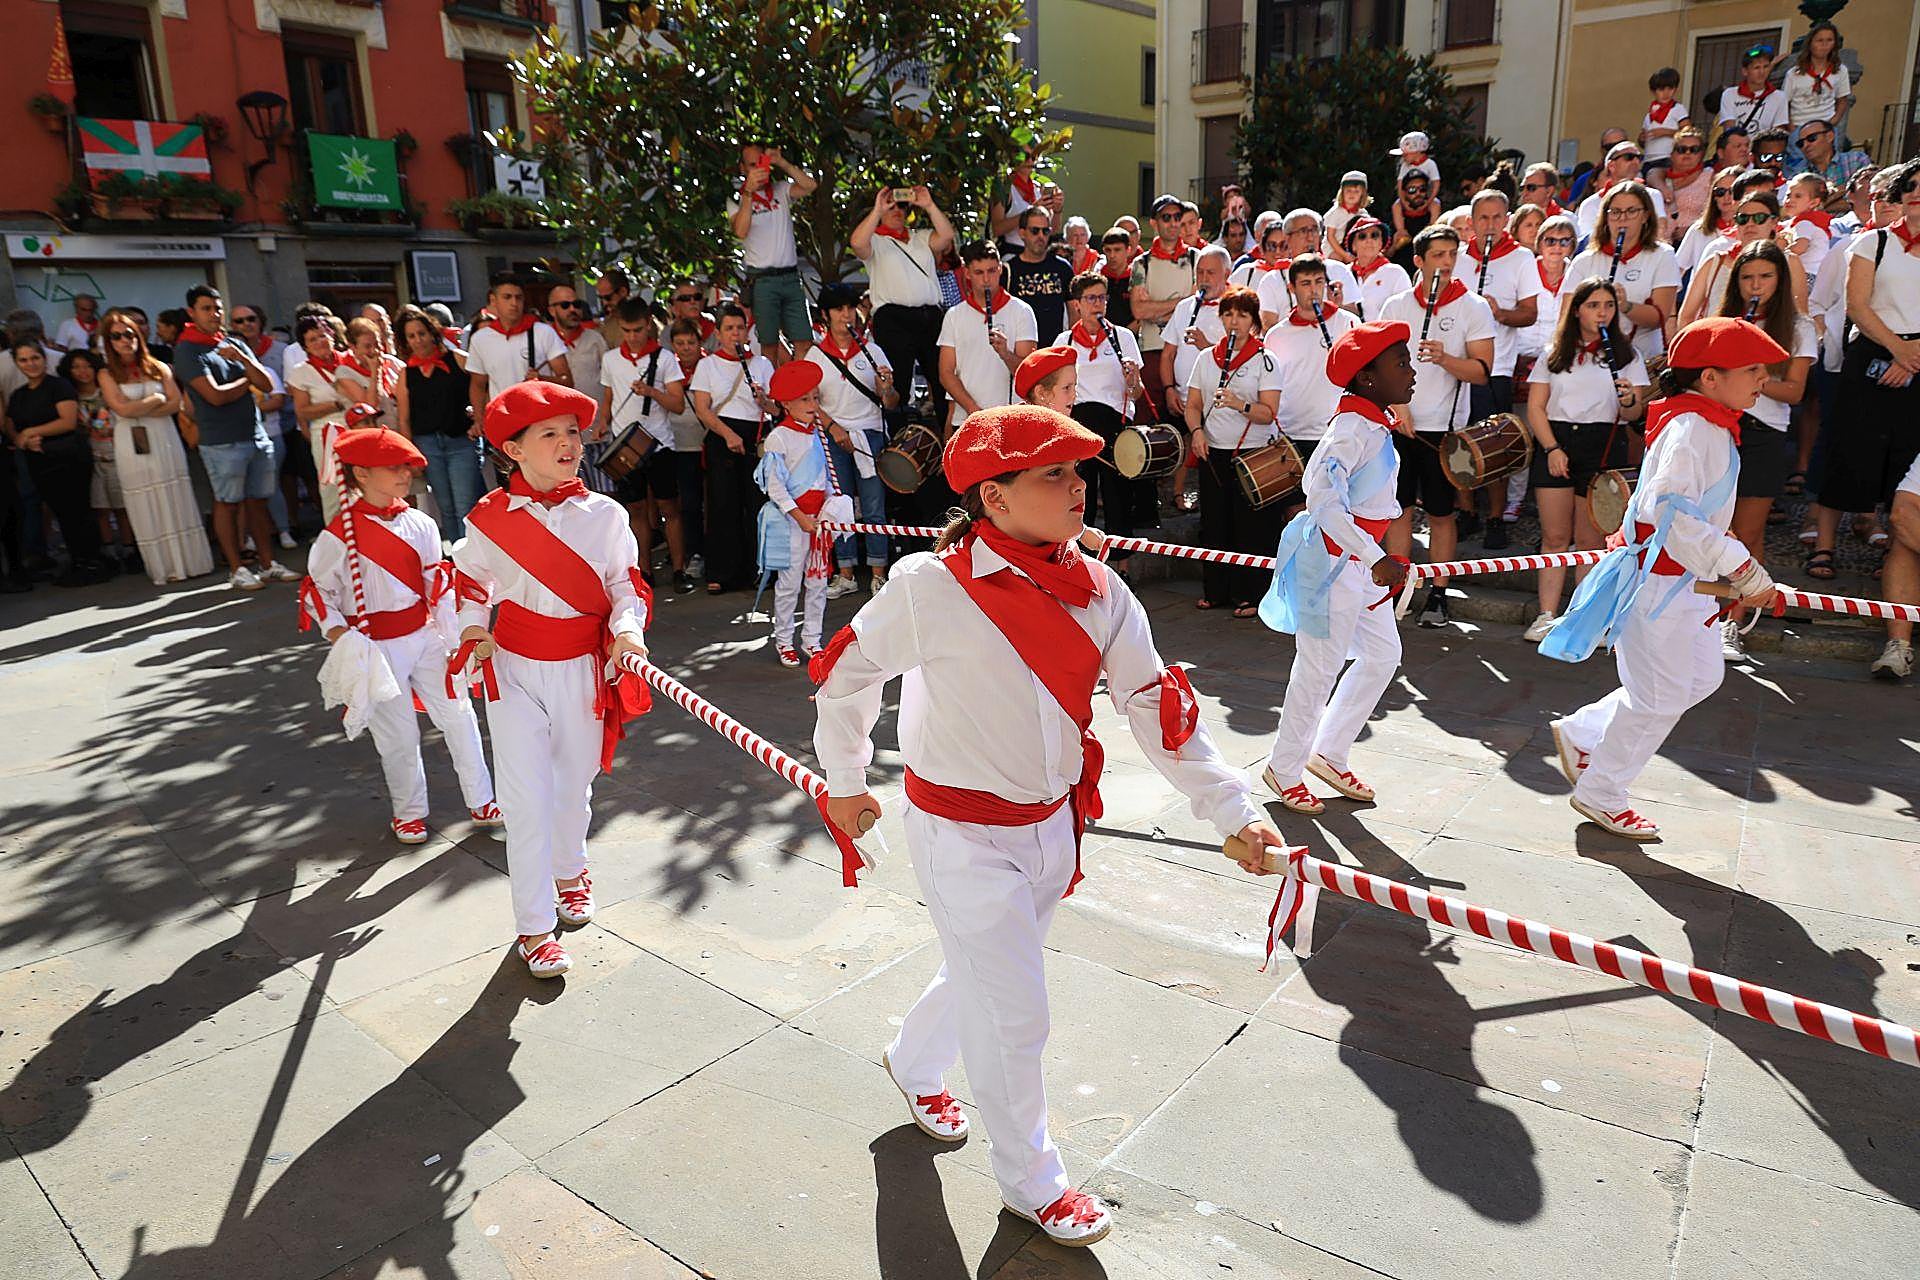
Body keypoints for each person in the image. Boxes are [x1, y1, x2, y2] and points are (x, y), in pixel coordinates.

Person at [811, 402, 1286, 1249]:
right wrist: (845, 781)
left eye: (1079, 472)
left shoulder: (1103, 590)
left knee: (988, 973)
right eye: (1053, 475)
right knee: (1016, 1011)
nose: (1078, 489)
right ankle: (1034, 1182)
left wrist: (1233, 811)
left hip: (1051, 827)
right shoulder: (928, 586)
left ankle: (913, 1064)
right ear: (993, 499)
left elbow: (1158, 713)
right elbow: (845, 675)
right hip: (955, 831)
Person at [1544, 318, 1786, 839]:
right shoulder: (1694, 426)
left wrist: (1733, 568)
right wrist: (1742, 567)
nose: (1764, 379)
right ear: (1710, 377)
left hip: (1684, 585)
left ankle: (1584, 733)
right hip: (1661, 584)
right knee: (1660, 696)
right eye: (1753, 369)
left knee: (1700, 678)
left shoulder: (1706, 422)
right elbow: (1671, 514)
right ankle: (1602, 791)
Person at [451, 381, 651, 979]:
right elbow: (470, 582)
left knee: (574, 786)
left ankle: (571, 867)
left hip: (582, 672)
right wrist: (470, 629)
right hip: (511, 671)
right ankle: (533, 928)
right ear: (513, 450)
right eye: (550, 434)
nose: (569, 443)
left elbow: (626, 586)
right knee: (526, 802)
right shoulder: (489, 519)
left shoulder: (605, 516)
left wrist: (628, 633)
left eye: (572, 431)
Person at [299, 424, 499, 843]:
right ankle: (408, 812)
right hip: (375, 646)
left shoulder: (421, 525)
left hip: (424, 637)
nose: (405, 474)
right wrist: (341, 636)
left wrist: (451, 637)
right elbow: (319, 593)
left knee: (459, 716)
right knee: (399, 735)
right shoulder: (339, 536)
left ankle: (482, 800)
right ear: (361, 475)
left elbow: (437, 586)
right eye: (392, 467)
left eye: (407, 466)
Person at [1257, 319, 1415, 813]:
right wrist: (1375, 558)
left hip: (1359, 564)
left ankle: (1328, 751)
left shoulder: (1372, 423)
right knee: (1318, 668)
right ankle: (1284, 769)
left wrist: (1374, 558)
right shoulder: (1351, 427)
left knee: (1383, 655)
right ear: (1367, 377)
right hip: (1333, 563)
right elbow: (1322, 498)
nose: (1411, 372)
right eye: (1400, 363)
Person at [1811, 157, 1920, 679]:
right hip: (1874, 357)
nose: (1919, 195)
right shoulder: (1872, 242)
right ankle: (1826, 545)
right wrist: (1899, 351)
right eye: (1913, 187)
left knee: (1906, 475)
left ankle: (1898, 587)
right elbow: (1857, 306)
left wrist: (1914, 358)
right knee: (1850, 455)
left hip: (1917, 364)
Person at [1378, 226, 1494, 627]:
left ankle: (1438, 594)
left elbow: (1482, 372)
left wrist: (1446, 359)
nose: (1445, 263)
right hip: (1399, 426)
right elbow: (1377, 366)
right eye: (1437, 255)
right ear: (1419, 261)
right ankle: (1399, 592)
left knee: (1442, 515)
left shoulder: (1473, 306)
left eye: (1451, 254)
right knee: (1397, 511)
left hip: (1443, 433)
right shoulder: (1396, 304)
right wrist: (1396, 407)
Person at [1521, 279, 1648, 642]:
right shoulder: (1554, 353)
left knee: (1591, 539)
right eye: (1594, 305)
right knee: (1555, 535)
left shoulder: (1627, 356)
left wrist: (1628, 400)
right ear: (1578, 310)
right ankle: (1547, 614)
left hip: (1602, 445)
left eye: (1608, 305)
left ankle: (1583, 616)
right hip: (1558, 441)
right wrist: (1552, 449)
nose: (1602, 312)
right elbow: (1536, 407)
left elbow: (1634, 413)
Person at [1712, 241, 1814, 661]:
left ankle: (1731, 621)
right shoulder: (1725, 321)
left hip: (1764, 432)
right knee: (1710, 527)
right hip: (1719, 427)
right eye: (1748, 277)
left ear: (1781, 280)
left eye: (1766, 277)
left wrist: (1750, 376)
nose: (1756, 285)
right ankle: (1698, 614)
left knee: (1747, 532)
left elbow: (1794, 391)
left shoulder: (1799, 326)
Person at [173, 286, 298, 590]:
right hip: (220, 440)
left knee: (258, 502)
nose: (214, 314)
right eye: (206, 308)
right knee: (227, 503)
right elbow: (215, 396)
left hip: (254, 434)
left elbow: (267, 382)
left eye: (217, 308)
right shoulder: (188, 349)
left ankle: (268, 565)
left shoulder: (229, 342)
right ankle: (237, 569)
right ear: (192, 313)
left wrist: (245, 360)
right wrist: (247, 379)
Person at [1185, 285, 1283, 616]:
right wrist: (1196, 431)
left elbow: (1269, 412)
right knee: (1214, 523)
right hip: (1214, 451)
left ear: (1253, 320)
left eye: (1242, 315)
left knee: (1252, 528)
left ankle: (1251, 595)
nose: (1234, 321)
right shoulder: (1205, 358)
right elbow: (1193, 403)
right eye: (1228, 314)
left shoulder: (1265, 360)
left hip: (1253, 454)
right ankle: (1216, 590)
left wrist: (1240, 404)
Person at [96, 308, 211, 585]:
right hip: (131, 444)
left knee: (175, 494)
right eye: (117, 336)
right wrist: (155, 398)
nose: (125, 340)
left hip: (164, 436)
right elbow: (121, 410)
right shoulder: (106, 374)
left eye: (130, 334)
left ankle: (192, 563)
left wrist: (145, 407)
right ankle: (165, 567)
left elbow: (176, 404)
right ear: (108, 342)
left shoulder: (159, 366)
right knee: (144, 500)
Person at [1461, 188, 1543, 550]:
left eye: (1497, 217)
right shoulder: (1460, 257)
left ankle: (1495, 517)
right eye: (1483, 218)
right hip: (1457, 366)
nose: (1490, 225)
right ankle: (1466, 511)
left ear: (1507, 220)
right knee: (1457, 440)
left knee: (1492, 444)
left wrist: (1498, 313)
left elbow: (1530, 313)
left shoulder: (1521, 258)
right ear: (1472, 222)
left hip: (1496, 366)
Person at [755, 360, 850, 666]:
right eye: (804, 399)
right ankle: (784, 639)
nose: (813, 405)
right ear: (785, 404)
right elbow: (776, 486)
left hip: (817, 522)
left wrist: (829, 510)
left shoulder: (817, 434)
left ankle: (812, 638)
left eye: (815, 398)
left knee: (818, 581)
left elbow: (823, 480)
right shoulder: (778, 438)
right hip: (792, 521)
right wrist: (800, 518)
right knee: (789, 583)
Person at [806, 283, 896, 597]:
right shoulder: (815, 355)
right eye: (839, 309)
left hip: (869, 434)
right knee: (840, 505)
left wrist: (887, 387)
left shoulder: (873, 350)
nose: (846, 315)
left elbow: (892, 402)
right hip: (833, 437)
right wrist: (832, 428)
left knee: (873, 505)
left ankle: (878, 573)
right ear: (826, 315)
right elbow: (811, 401)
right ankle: (845, 573)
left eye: (850, 307)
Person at [600, 300, 691, 593]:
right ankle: (644, 573)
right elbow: (609, 398)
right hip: (624, 444)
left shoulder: (664, 358)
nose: (632, 336)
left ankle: (679, 570)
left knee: (670, 507)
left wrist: (651, 391)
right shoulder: (611, 358)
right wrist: (602, 422)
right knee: (635, 510)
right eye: (626, 330)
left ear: (648, 324)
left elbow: (677, 404)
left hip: (659, 444)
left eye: (637, 330)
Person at [689, 304, 778, 595]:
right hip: (722, 434)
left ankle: (758, 570)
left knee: (756, 506)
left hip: (755, 435)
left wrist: (764, 400)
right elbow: (703, 409)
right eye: (729, 329)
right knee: (722, 505)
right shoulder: (708, 365)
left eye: (740, 328)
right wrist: (728, 435)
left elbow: (776, 408)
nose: (735, 334)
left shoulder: (762, 364)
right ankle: (721, 573)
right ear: (718, 333)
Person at [4, 340, 108, 586]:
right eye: (24, 360)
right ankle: (77, 559)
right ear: (17, 363)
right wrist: (22, 440)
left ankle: (92, 561)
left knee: (78, 511)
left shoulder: (58, 386)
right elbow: (10, 424)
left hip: (69, 458)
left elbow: (67, 421)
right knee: (60, 512)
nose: (30, 364)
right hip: (39, 461)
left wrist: (30, 431)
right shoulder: (19, 395)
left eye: (35, 358)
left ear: (44, 359)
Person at [850, 185, 955, 427]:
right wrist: (878, 209)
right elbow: (856, 243)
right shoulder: (875, 240)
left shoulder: (920, 236)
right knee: (897, 383)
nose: (897, 210)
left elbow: (946, 237)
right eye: (892, 205)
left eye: (902, 205)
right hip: (893, 317)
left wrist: (928, 204)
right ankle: (897, 443)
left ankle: (946, 439)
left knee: (942, 380)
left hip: (930, 315)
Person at [1055, 272, 1143, 550]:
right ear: (1077, 304)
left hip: (1114, 424)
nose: (1098, 304)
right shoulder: (1064, 340)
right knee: (1080, 494)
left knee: (1119, 495)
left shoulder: (1124, 337)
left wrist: (1133, 378)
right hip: (1078, 425)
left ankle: (1122, 566)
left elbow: (1137, 393)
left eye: (1102, 297)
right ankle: (1077, 558)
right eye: (1091, 298)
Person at [1265, 254, 1361, 502]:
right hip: (1291, 434)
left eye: (1319, 282)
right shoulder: (1277, 334)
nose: (1314, 290)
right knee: (1294, 511)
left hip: (1337, 433)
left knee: (1337, 509)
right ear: (1292, 288)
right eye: (1306, 284)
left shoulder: (1349, 323)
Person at [396, 305, 483, 545]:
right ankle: (457, 560)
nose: (418, 340)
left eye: (421, 333)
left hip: (460, 441)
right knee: (446, 508)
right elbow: (404, 419)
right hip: (428, 445)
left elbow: (483, 383)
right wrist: (411, 456)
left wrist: (479, 418)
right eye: (411, 336)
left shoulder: (457, 359)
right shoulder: (405, 374)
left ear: (433, 332)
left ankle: (472, 561)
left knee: (466, 506)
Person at [1566, 181, 1680, 362]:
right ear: (1605, 217)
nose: (1622, 218)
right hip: (1590, 360)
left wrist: (1625, 305)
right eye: (1615, 212)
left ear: (1645, 216)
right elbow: (1567, 315)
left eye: (1632, 211)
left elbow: (1659, 318)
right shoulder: (1584, 260)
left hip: (1642, 361)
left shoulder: (1663, 255)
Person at [730, 143, 818, 364]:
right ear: (742, 168)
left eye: (761, 162)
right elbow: (740, 231)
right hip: (762, 280)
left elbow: (810, 186)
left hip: (790, 277)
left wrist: (782, 162)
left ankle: (801, 393)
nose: (758, 169)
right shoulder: (736, 198)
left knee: (804, 341)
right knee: (769, 344)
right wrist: (749, 192)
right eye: (752, 165)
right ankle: (772, 395)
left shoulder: (780, 189)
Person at [939, 240, 1038, 427]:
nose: (986, 279)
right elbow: (945, 373)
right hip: (967, 419)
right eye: (979, 272)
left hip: (1010, 420)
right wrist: (973, 410)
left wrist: (1005, 354)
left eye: (992, 271)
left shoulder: (1022, 311)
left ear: (1000, 269)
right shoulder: (954, 315)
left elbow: (1029, 373)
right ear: (967, 273)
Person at [1678, 188, 1808, 328]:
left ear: (1774, 222)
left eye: (1759, 218)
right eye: (1743, 219)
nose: (1750, 224)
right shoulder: (1715, 263)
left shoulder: (1789, 262)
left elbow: (1801, 316)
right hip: (1719, 345)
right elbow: (1686, 316)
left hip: (1772, 345)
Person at [62, 348, 135, 574]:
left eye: (87, 366)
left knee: (123, 506)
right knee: (101, 507)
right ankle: (109, 551)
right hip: (90, 458)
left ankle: (130, 549)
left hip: (116, 452)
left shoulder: (108, 392)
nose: (82, 372)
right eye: (76, 367)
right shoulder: (70, 397)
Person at [465, 273, 572, 426]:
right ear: (493, 300)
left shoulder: (543, 332)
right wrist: (479, 419)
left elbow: (567, 381)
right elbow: (478, 384)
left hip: (540, 418)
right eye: (507, 297)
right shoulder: (480, 339)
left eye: (519, 297)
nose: (514, 303)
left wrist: (542, 379)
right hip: (503, 420)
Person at [1128, 195, 1198, 419]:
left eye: (1177, 216)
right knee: (1152, 424)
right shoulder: (1142, 263)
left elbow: (1198, 305)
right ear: (1154, 223)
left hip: (1187, 352)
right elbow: (1139, 311)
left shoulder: (1197, 259)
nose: (1173, 222)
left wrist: (1156, 308)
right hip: (1152, 351)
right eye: (1166, 217)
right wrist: (1181, 303)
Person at [287, 313, 352, 524]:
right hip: (327, 435)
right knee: (333, 490)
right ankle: (337, 542)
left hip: (358, 428)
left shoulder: (349, 360)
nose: (319, 342)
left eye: (322, 336)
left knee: (363, 486)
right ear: (304, 346)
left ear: (332, 335)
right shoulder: (301, 372)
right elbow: (302, 411)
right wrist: (336, 404)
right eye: (312, 339)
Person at [547, 283, 610, 488]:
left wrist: (605, 419)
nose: (573, 309)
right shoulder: (543, 341)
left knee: (606, 494)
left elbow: (611, 381)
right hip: (560, 439)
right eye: (565, 305)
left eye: (576, 304)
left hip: (598, 432)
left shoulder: (595, 338)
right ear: (552, 310)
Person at [1160, 245, 1230, 419]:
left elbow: (1240, 358)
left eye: (1211, 273)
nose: (1204, 279)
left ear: (1227, 274)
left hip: (1218, 407)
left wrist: (1206, 346)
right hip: (1183, 403)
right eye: (1200, 272)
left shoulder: (1236, 308)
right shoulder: (1184, 306)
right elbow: (1168, 355)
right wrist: (1169, 389)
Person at [1256, 210, 1358, 327]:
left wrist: (1338, 306)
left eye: (1314, 230)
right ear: (1287, 238)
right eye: (1303, 231)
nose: (1310, 237)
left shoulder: (1338, 270)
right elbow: (1268, 327)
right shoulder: (1272, 280)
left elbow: (1353, 319)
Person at [663, 318, 708, 580]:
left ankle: (716, 551)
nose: (686, 348)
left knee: (714, 504)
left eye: (691, 342)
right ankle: (695, 553)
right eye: (680, 343)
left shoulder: (711, 366)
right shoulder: (667, 370)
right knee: (689, 504)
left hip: (708, 442)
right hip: (679, 445)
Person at [1781, 21, 1852, 157]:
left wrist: (1833, 122)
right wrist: (1791, 129)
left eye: (1829, 40)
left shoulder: (1840, 71)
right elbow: (1785, 104)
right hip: (1799, 127)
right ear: (1810, 44)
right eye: (1819, 40)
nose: (1824, 45)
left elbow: (1842, 100)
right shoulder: (1794, 73)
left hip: (1826, 127)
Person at [1575, 142, 1670, 243]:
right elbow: (1588, 241)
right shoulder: (1590, 204)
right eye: (1629, 157)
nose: (1636, 160)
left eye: (1639, 157)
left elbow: (1659, 231)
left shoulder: (1653, 195)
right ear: (1611, 165)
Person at [1004, 206, 1074, 342]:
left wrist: (1070, 344)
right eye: (1035, 231)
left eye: (1045, 231)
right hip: (1020, 351)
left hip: (1054, 350)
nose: (1041, 236)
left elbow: (1074, 311)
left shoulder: (1062, 267)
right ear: (1022, 233)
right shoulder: (1009, 270)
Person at [989, 147, 1065, 251]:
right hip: (1013, 253)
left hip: (1038, 254)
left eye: (1034, 157)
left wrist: (1057, 210)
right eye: (1025, 156)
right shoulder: (1004, 188)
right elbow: (997, 229)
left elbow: (1053, 230)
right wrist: (1032, 210)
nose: (1030, 161)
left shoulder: (1038, 188)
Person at [335, 317, 403, 427]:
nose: (375, 350)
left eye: (377, 344)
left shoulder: (393, 363)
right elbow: (371, 406)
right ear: (353, 347)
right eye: (367, 346)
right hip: (374, 434)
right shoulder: (345, 372)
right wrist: (376, 372)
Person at [1344, 216, 1412, 322]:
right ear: (1353, 246)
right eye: (1362, 236)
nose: (1369, 240)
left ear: (1381, 243)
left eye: (1374, 235)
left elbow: (1406, 310)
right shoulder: (1343, 273)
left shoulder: (1396, 273)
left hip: (1385, 336)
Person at [1677, 170, 1739, 279]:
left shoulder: (1750, 228)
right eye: (1720, 192)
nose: (1726, 197)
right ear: (1714, 196)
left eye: (1732, 191)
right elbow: (1677, 269)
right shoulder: (1698, 229)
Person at [1718, 43, 1788, 138]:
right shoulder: (1730, 94)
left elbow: (1778, 131)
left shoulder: (1779, 96)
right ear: (1745, 71)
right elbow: (1729, 129)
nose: (1762, 72)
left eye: (1766, 67)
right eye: (1756, 67)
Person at [1664, 127, 1715, 238]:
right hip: (1660, 244)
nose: (1687, 153)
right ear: (1672, 154)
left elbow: (1717, 213)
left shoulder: (1710, 176)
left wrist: (1691, 230)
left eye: (1694, 149)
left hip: (1693, 242)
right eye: (1682, 149)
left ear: (1701, 154)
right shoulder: (1660, 177)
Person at [1792, 119, 1870, 192]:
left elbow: (1867, 191)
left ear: (1830, 136)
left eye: (1811, 138)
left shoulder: (1857, 160)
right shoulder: (1800, 175)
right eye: (1801, 143)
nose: (1805, 145)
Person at [1388, 170, 1438, 275]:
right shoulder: (1396, 217)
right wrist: (1394, 246)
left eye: (1422, 189)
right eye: (1412, 190)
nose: (1418, 193)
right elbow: (1385, 256)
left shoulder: (1433, 211)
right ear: (1404, 193)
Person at [1322, 171, 1371, 263]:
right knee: (1337, 259)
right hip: (1334, 247)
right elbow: (1330, 236)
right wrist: (1344, 254)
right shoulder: (1336, 212)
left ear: (1362, 194)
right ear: (1342, 192)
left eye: (1356, 191)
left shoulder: (1362, 213)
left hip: (1352, 247)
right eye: (1348, 191)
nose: (1352, 194)